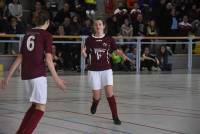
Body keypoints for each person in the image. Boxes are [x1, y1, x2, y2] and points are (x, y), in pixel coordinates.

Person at [1, 10, 66, 134]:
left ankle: (20, 132)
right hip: (37, 74)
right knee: (41, 108)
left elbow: (20, 57)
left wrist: (7, 76)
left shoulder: (28, 33)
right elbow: (48, 58)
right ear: (47, 22)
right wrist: (56, 78)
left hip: (26, 75)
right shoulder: (46, 35)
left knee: (35, 105)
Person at [81, 18, 129, 125]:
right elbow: (85, 53)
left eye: (100, 24)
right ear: (94, 27)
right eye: (96, 24)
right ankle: (95, 102)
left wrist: (123, 55)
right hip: (93, 71)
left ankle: (115, 116)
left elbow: (116, 50)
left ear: (103, 26)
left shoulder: (109, 39)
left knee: (110, 94)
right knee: (97, 96)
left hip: (106, 70)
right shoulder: (89, 39)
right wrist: (83, 54)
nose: (98, 26)